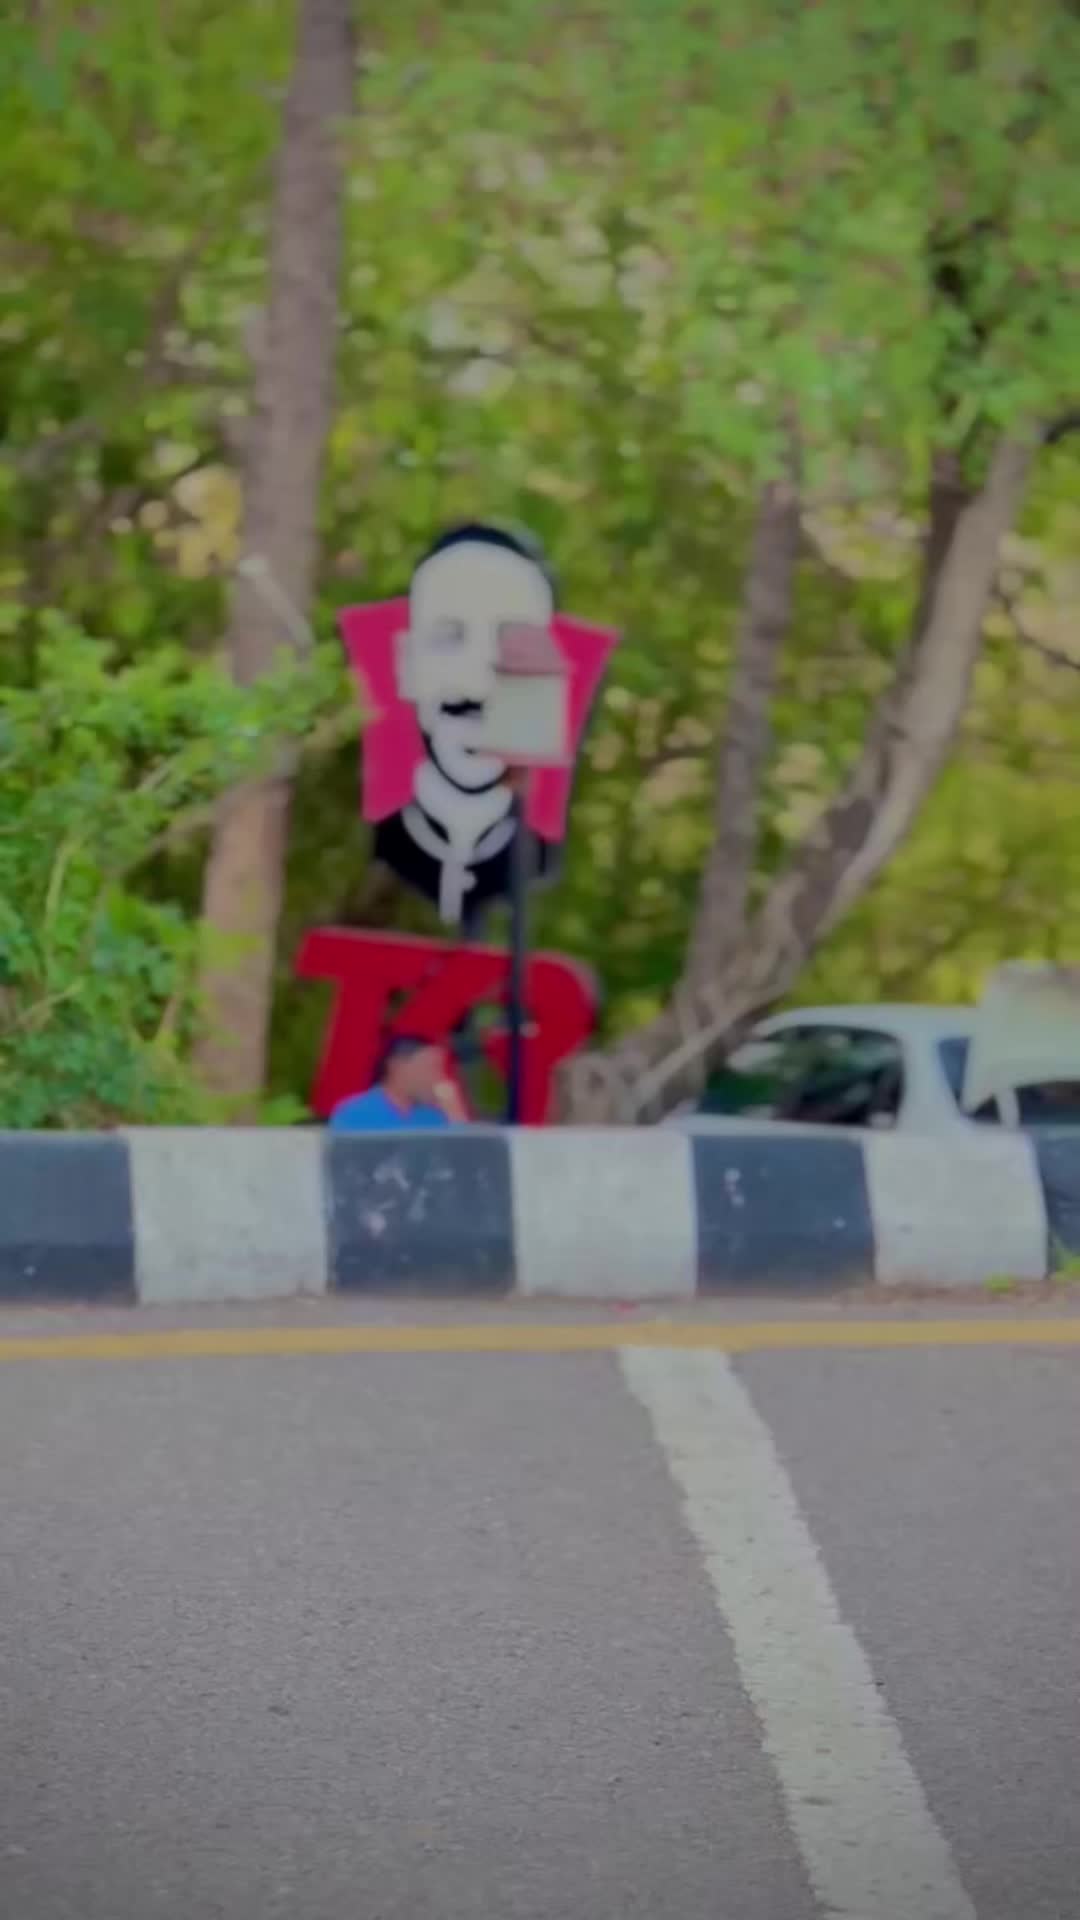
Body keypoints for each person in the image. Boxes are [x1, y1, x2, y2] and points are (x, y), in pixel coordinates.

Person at [328, 1035, 467, 1132]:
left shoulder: (433, 1116)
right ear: (397, 1067)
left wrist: (455, 1114)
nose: (437, 1078)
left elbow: (463, 1158)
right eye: (429, 1068)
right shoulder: (355, 1113)